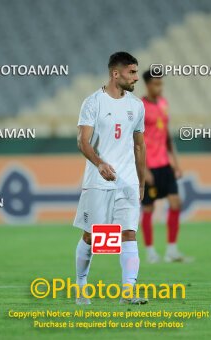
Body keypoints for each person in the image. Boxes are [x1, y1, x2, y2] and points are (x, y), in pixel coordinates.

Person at [73, 52, 147, 305]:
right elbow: (83, 141)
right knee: (93, 238)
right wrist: (100, 163)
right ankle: (81, 286)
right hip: (98, 182)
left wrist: (142, 181)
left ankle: (128, 292)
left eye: (137, 72)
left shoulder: (137, 106)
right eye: (132, 72)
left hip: (127, 182)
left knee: (128, 234)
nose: (136, 77)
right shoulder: (93, 103)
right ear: (116, 74)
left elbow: (139, 146)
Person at [141, 69, 188, 263]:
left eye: (161, 84)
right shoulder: (139, 108)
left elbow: (167, 136)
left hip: (165, 164)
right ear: (147, 85)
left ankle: (171, 250)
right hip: (149, 167)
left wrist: (176, 163)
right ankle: (151, 252)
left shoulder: (164, 104)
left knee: (176, 202)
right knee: (149, 210)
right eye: (156, 84)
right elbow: (133, 141)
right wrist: (143, 170)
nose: (159, 87)